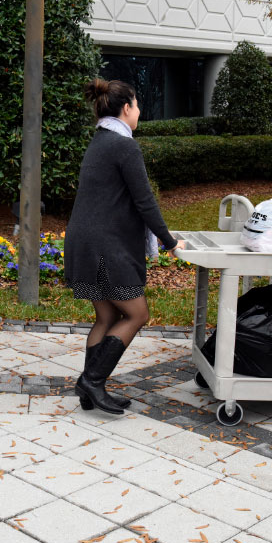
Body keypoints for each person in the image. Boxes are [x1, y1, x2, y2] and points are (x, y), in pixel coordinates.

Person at [64, 78, 184, 414]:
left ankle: (90, 388)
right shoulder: (124, 145)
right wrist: (170, 241)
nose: (139, 113)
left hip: (86, 241)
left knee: (106, 315)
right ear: (127, 108)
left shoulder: (101, 140)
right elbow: (144, 201)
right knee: (136, 313)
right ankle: (92, 381)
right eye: (137, 106)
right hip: (105, 246)